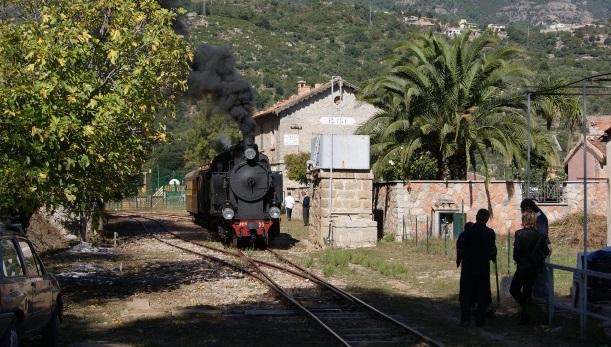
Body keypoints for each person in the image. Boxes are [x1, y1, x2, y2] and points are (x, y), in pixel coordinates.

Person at [456, 209, 497, 327]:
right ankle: (480, 320)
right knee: (482, 294)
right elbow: (492, 250)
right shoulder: (490, 233)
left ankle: (465, 319)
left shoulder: (467, 232)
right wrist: (493, 257)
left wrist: (458, 261)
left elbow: (460, 248)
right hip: (483, 268)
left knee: (465, 293)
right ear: (487, 219)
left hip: (468, 268)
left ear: (476, 216)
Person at [510, 210, 549, 324]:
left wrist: (519, 260)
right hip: (534, 267)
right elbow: (546, 251)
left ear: (524, 220)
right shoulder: (540, 235)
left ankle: (527, 311)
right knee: (527, 292)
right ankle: (527, 314)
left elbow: (516, 253)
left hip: (522, 266)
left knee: (514, 289)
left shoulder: (519, 233)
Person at [520, 198, 550, 302]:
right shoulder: (536, 215)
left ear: (528, 208)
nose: (522, 213)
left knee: (540, 277)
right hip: (535, 252)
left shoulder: (539, 217)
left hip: (539, 252)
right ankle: (535, 300)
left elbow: (541, 236)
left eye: (523, 210)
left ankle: (542, 301)